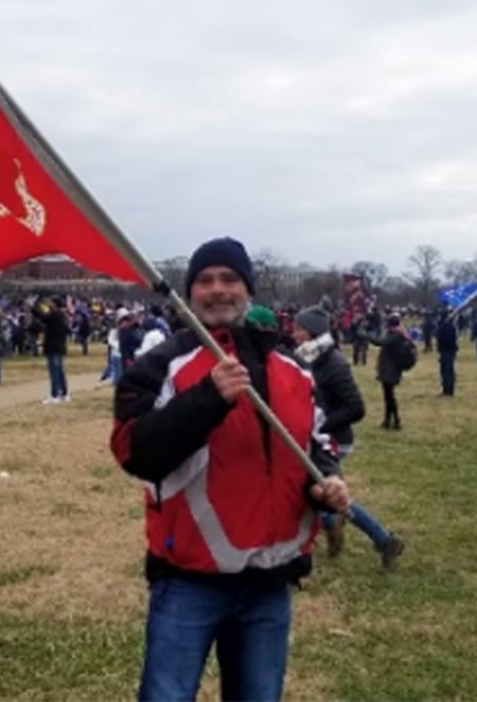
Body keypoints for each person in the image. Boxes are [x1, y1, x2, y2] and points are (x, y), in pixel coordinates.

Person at [110, 237, 350, 702]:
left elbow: (316, 442)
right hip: (189, 581)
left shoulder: (293, 371)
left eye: (229, 279)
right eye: (205, 280)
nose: (217, 290)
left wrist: (326, 481)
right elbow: (134, 453)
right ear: (189, 292)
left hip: (269, 584)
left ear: (249, 290)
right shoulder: (162, 364)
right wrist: (207, 399)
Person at [293, 306, 405, 571]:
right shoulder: (309, 358)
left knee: (327, 495)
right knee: (321, 493)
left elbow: (356, 407)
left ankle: (382, 539)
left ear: (311, 332)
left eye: (298, 328)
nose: (294, 333)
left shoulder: (333, 363)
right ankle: (340, 526)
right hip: (317, 437)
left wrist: (319, 424)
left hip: (332, 440)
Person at [370, 315, 408, 429]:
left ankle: (396, 420)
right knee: (388, 396)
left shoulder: (395, 336)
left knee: (389, 397)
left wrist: (367, 336)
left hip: (390, 370)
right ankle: (388, 420)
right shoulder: (399, 334)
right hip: (391, 369)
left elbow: (381, 342)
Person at [33, 296, 71, 404]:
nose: (49, 304)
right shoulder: (62, 315)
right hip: (59, 345)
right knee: (59, 371)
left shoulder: (56, 315)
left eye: (51, 303)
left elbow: (43, 317)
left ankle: (54, 395)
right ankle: (64, 393)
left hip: (53, 346)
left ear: (55, 304)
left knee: (54, 371)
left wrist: (34, 308)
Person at [436, 308, 458, 396]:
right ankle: (449, 389)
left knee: (446, 371)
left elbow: (445, 339)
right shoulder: (451, 326)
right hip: (450, 351)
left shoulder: (445, 327)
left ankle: (447, 390)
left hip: (446, 351)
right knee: (449, 370)